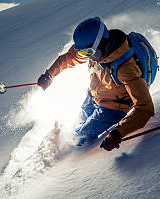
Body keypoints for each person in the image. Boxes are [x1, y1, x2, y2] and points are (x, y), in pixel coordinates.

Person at [37, 17, 154, 151]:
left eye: (87, 53)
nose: (86, 57)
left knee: (80, 136)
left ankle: (71, 154)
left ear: (102, 43)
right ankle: (74, 133)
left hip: (112, 109)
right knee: (80, 118)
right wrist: (49, 74)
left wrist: (118, 133)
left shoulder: (126, 69)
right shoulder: (95, 50)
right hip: (94, 95)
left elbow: (145, 108)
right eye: (82, 52)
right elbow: (69, 58)